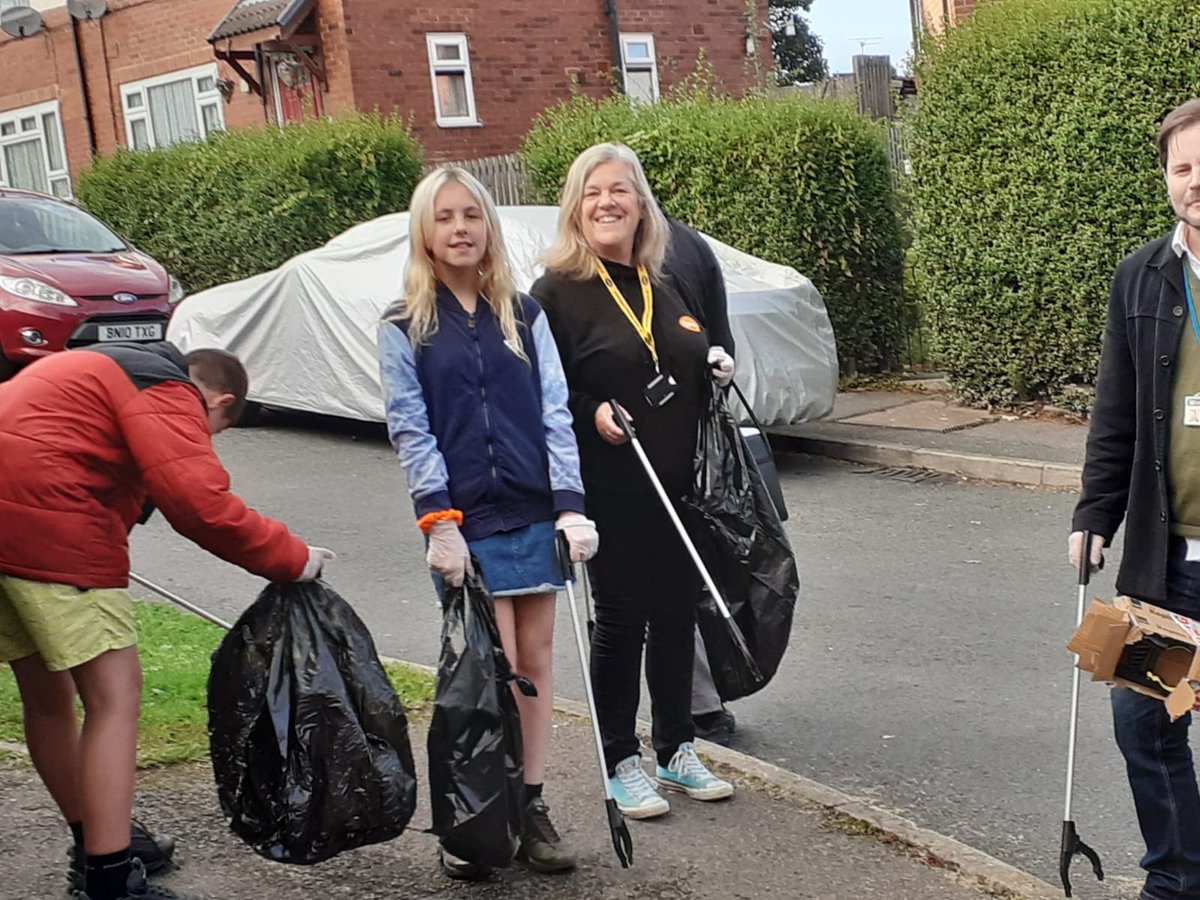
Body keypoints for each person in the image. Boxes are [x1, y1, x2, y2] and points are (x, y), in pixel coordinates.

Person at [0, 341, 334, 900]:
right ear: (219, 401)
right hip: (51, 521)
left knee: (46, 697)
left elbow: (119, 479)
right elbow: (198, 501)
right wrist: (294, 558)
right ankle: (110, 879)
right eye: (214, 430)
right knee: (115, 697)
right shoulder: (168, 388)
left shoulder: (104, 363)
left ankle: (100, 839)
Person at [377, 167, 598, 879]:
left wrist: (571, 504)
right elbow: (411, 430)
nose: (460, 228)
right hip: (463, 526)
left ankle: (529, 805)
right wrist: (438, 523)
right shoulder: (402, 325)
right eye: (444, 217)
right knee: (486, 674)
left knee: (535, 666)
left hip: (534, 513)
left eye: (471, 214)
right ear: (425, 230)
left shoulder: (523, 316)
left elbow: (555, 411)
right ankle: (481, 812)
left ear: (488, 227)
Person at [531, 142, 735, 820]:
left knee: (678, 616)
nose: (607, 202)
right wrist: (593, 410)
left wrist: (713, 361)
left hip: (677, 484)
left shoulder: (663, 282)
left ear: (642, 205)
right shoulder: (555, 292)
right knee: (622, 620)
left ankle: (676, 747)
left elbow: (681, 348)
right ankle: (619, 759)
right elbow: (548, 393)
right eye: (593, 192)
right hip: (609, 486)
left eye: (620, 190)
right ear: (575, 207)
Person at [1070, 98, 1200, 900]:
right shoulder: (1141, 276)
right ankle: (1177, 877)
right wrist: (1093, 516)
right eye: (1184, 168)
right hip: (1168, 559)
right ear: (1166, 179)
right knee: (1144, 723)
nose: (1197, 183)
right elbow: (1115, 413)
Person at [662, 211, 739, 745]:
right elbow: (722, 344)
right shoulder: (691, 245)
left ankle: (695, 706)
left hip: (667, 444)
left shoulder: (681, 251)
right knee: (684, 571)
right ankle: (702, 704)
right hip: (684, 444)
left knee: (657, 581)